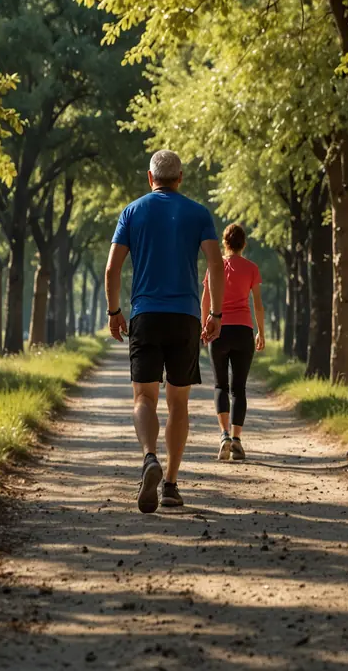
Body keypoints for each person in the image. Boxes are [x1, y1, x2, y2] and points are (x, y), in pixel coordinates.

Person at [105, 150, 224, 514]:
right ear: (180, 178)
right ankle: (170, 484)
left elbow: (112, 269)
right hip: (185, 316)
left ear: (149, 177)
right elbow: (216, 266)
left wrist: (114, 311)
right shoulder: (198, 213)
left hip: (145, 315)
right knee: (178, 404)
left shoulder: (132, 211)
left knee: (144, 398)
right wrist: (216, 314)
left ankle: (149, 458)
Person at [201, 223, 265, 461]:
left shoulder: (214, 268)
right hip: (243, 331)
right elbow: (257, 303)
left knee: (220, 386)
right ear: (244, 244)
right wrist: (261, 332)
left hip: (218, 331)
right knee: (238, 389)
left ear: (224, 243)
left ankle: (224, 435)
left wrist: (203, 327)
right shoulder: (251, 268)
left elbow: (206, 301)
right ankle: (237, 440)